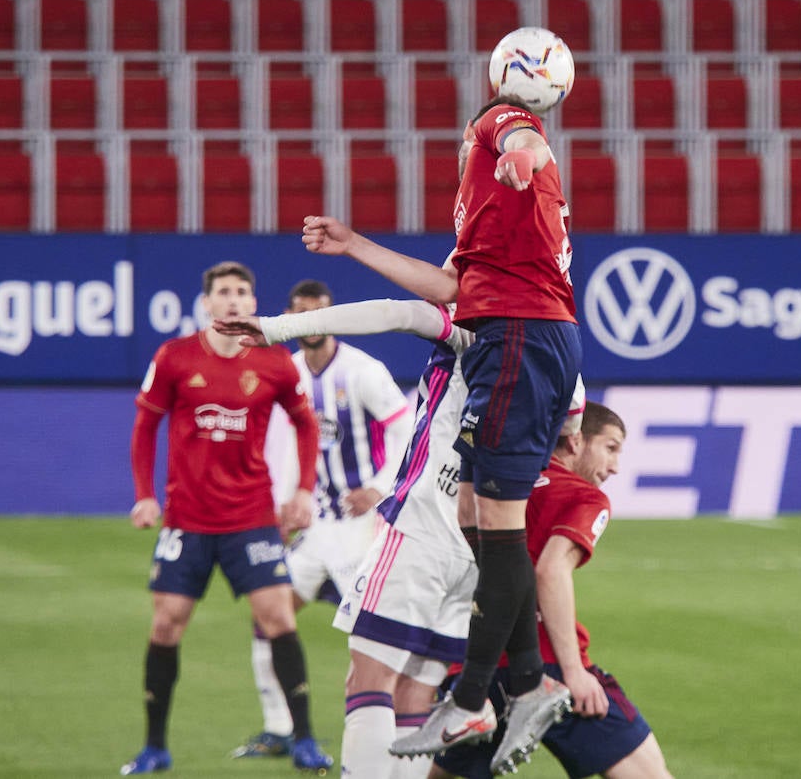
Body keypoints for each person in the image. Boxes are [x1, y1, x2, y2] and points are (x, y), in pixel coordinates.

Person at [303, 67, 582, 773]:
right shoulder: (496, 235)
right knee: (480, 520)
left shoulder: (494, 128)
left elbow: (525, 138)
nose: (463, 160)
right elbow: (452, 287)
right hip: (521, 357)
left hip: (500, 370)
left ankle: (493, 693)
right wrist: (357, 245)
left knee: (370, 674)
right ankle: (511, 687)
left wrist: (517, 151)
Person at [216, 296, 585, 779]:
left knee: (366, 680)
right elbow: (572, 430)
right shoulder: (560, 353)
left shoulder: (474, 325)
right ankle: (518, 686)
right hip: (484, 549)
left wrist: (281, 326)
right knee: (415, 690)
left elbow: (395, 312)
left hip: (424, 526)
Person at [119, 261, 334, 775]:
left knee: (278, 618)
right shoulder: (174, 358)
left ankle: (303, 740)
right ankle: (154, 747)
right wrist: (145, 495)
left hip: (251, 518)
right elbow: (145, 426)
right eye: (224, 292)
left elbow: (306, 425)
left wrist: (304, 490)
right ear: (208, 303)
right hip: (186, 521)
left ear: (253, 303)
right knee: (166, 624)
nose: (234, 300)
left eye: (242, 292)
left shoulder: (276, 363)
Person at [430, 402, 675, 779]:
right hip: (550, 668)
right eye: (610, 448)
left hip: (479, 667)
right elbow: (550, 571)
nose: (615, 467)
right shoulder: (585, 497)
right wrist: (573, 672)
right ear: (576, 441)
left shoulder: (500, 489)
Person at [231, 279, 412, 761]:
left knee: (376, 634)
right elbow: (281, 446)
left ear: (330, 315)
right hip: (314, 531)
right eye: (302, 311)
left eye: (319, 311)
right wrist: (285, 504)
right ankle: (278, 727)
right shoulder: (285, 373)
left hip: (360, 530)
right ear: (290, 315)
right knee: (268, 615)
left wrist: (379, 487)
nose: (311, 321)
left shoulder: (362, 372)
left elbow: (407, 428)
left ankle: (401, 725)